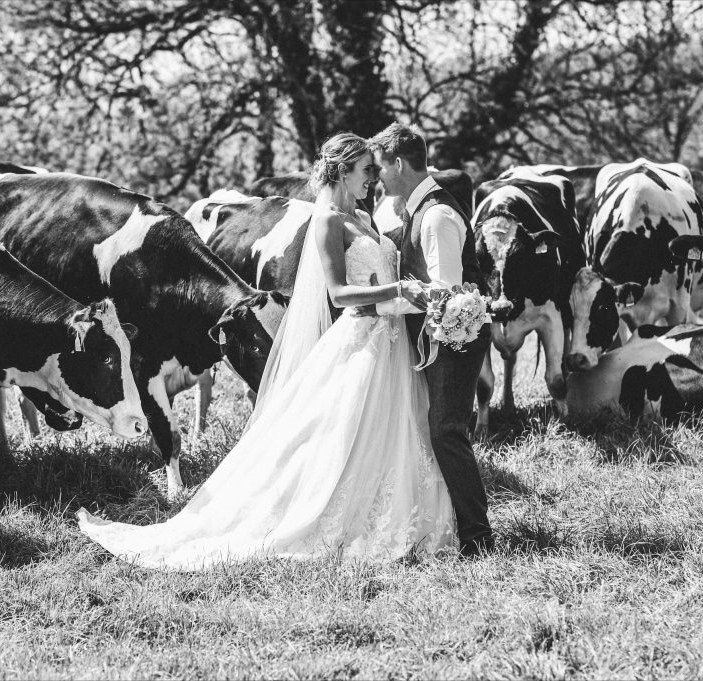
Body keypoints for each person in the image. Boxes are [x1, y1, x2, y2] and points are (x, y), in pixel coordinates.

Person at [77, 132, 458, 569]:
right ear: (343, 169)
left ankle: (403, 513)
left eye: (375, 169)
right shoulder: (328, 220)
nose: (374, 177)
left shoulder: (363, 214)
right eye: (367, 169)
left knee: (393, 432)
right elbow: (338, 295)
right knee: (339, 438)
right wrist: (401, 289)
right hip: (363, 342)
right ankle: (336, 516)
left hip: (392, 343)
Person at [369, 123, 494, 556]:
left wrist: (385, 304)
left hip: (454, 339)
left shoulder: (437, 215)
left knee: (447, 432)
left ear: (399, 164)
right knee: (438, 430)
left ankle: (479, 538)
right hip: (438, 337)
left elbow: (447, 294)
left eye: (381, 168)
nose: (377, 177)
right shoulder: (417, 210)